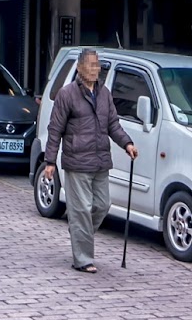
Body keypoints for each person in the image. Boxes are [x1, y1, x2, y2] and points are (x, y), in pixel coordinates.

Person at [39, 49, 137, 273]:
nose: (96, 68)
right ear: (80, 68)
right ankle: (83, 259)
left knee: (102, 206)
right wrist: (50, 161)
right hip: (77, 162)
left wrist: (127, 144)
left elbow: (113, 124)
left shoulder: (104, 94)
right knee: (82, 209)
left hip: (100, 161)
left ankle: (78, 231)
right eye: (92, 65)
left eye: (98, 64)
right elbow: (55, 130)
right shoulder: (67, 94)